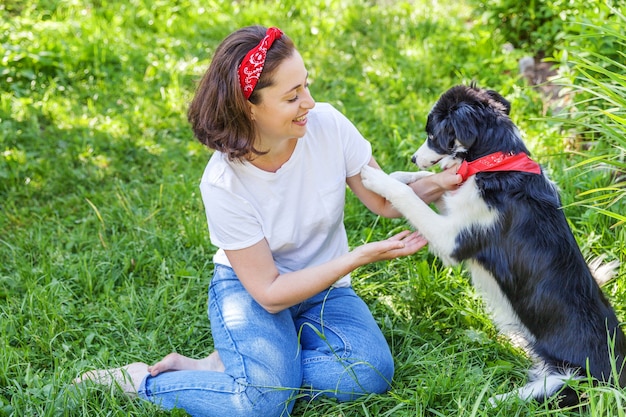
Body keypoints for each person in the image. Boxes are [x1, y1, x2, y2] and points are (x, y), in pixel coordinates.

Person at [75, 25, 462, 417]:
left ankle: (238, 368)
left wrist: (445, 181)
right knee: (264, 405)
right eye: (292, 96)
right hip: (253, 293)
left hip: (325, 290)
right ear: (249, 107)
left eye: (306, 86)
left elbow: (383, 200)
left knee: (368, 373)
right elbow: (270, 292)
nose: (309, 102)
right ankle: (146, 382)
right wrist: (357, 257)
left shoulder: (327, 126)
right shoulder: (223, 182)